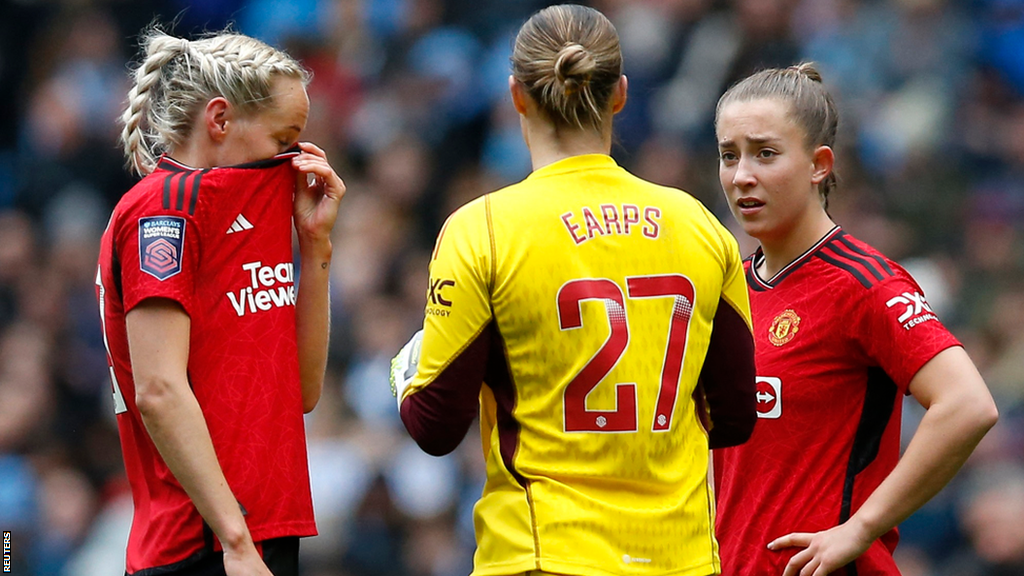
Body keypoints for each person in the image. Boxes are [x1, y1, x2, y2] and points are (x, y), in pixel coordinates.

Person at [389, 5, 757, 576]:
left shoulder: (482, 228)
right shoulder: (700, 225)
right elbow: (735, 416)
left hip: (545, 552)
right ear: (621, 94)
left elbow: (435, 427)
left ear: (516, 95)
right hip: (679, 556)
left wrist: (409, 365)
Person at [711, 63, 999, 576]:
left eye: (765, 153)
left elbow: (967, 405)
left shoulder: (863, 283)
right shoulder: (729, 287)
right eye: (728, 155)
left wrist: (860, 528)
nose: (742, 175)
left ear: (820, 164)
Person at [95, 28, 344, 576]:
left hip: (262, 528)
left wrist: (316, 249)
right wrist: (235, 540)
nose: (294, 159)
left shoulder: (247, 207)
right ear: (221, 120)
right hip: (203, 541)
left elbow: (300, 391)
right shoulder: (166, 211)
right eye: (285, 140)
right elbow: (158, 390)